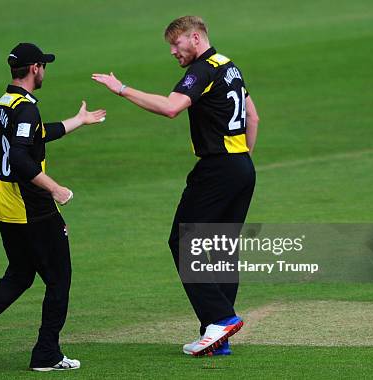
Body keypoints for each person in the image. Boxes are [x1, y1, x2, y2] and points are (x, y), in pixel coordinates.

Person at [92, 16, 259, 357]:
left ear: (195, 38)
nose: (172, 51)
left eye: (176, 44)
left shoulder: (202, 70)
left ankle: (221, 319)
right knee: (222, 248)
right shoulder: (231, 68)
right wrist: (241, 161)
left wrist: (121, 89)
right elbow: (253, 119)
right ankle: (217, 338)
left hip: (217, 169)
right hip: (242, 166)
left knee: (182, 241)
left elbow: (171, 108)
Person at [0, 42, 106, 371]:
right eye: (43, 66)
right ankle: (46, 354)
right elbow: (22, 159)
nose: (44, 71)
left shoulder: (5, 103)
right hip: (33, 208)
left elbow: (33, 136)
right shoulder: (26, 108)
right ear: (35, 68)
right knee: (59, 279)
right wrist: (56, 189)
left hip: (5, 205)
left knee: (21, 273)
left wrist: (78, 121)